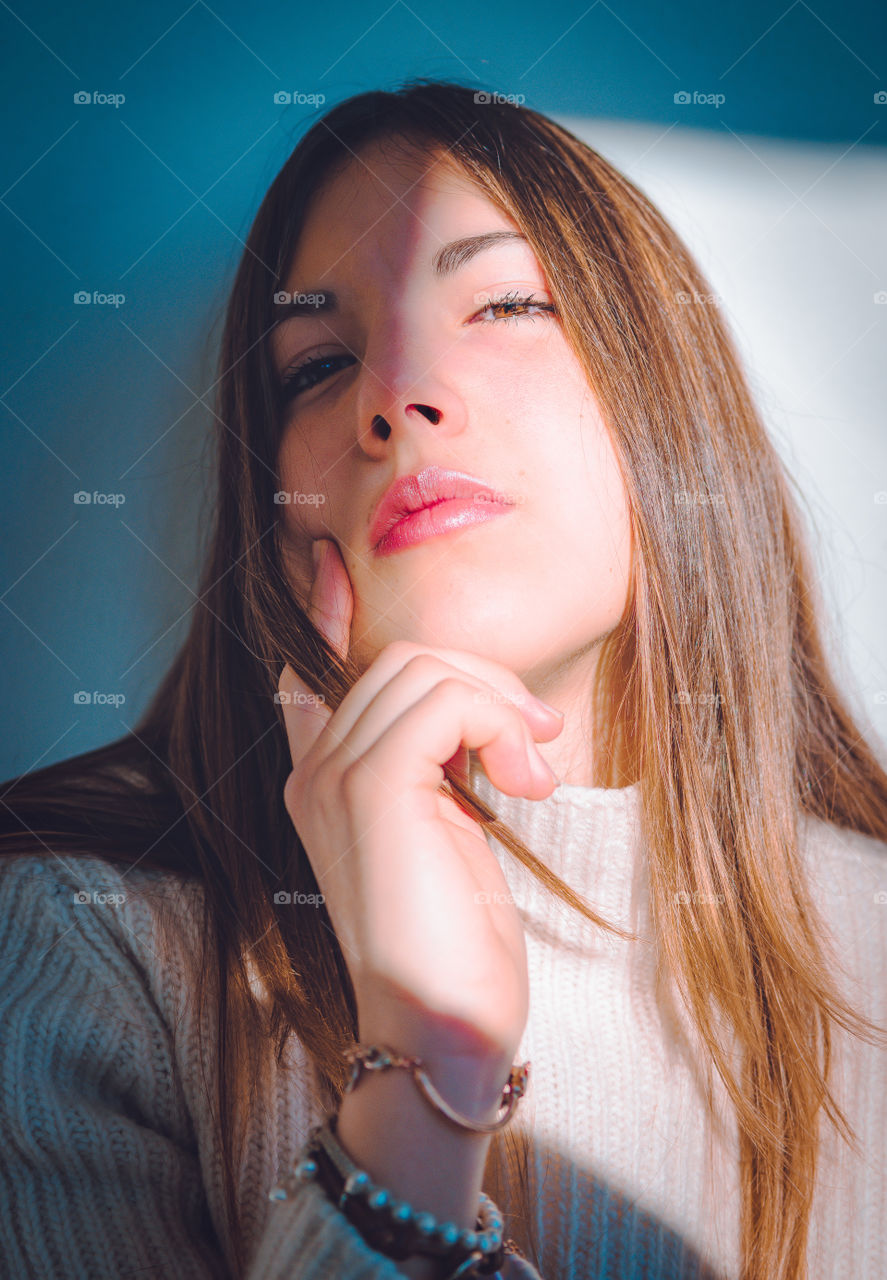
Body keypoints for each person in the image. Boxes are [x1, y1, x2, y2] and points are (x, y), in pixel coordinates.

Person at [1, 77, 885, 1280]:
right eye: (315, 364)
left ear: (669, 397)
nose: (390, 396)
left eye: (507, 300)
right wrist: (427, 1063)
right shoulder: (78, 942)